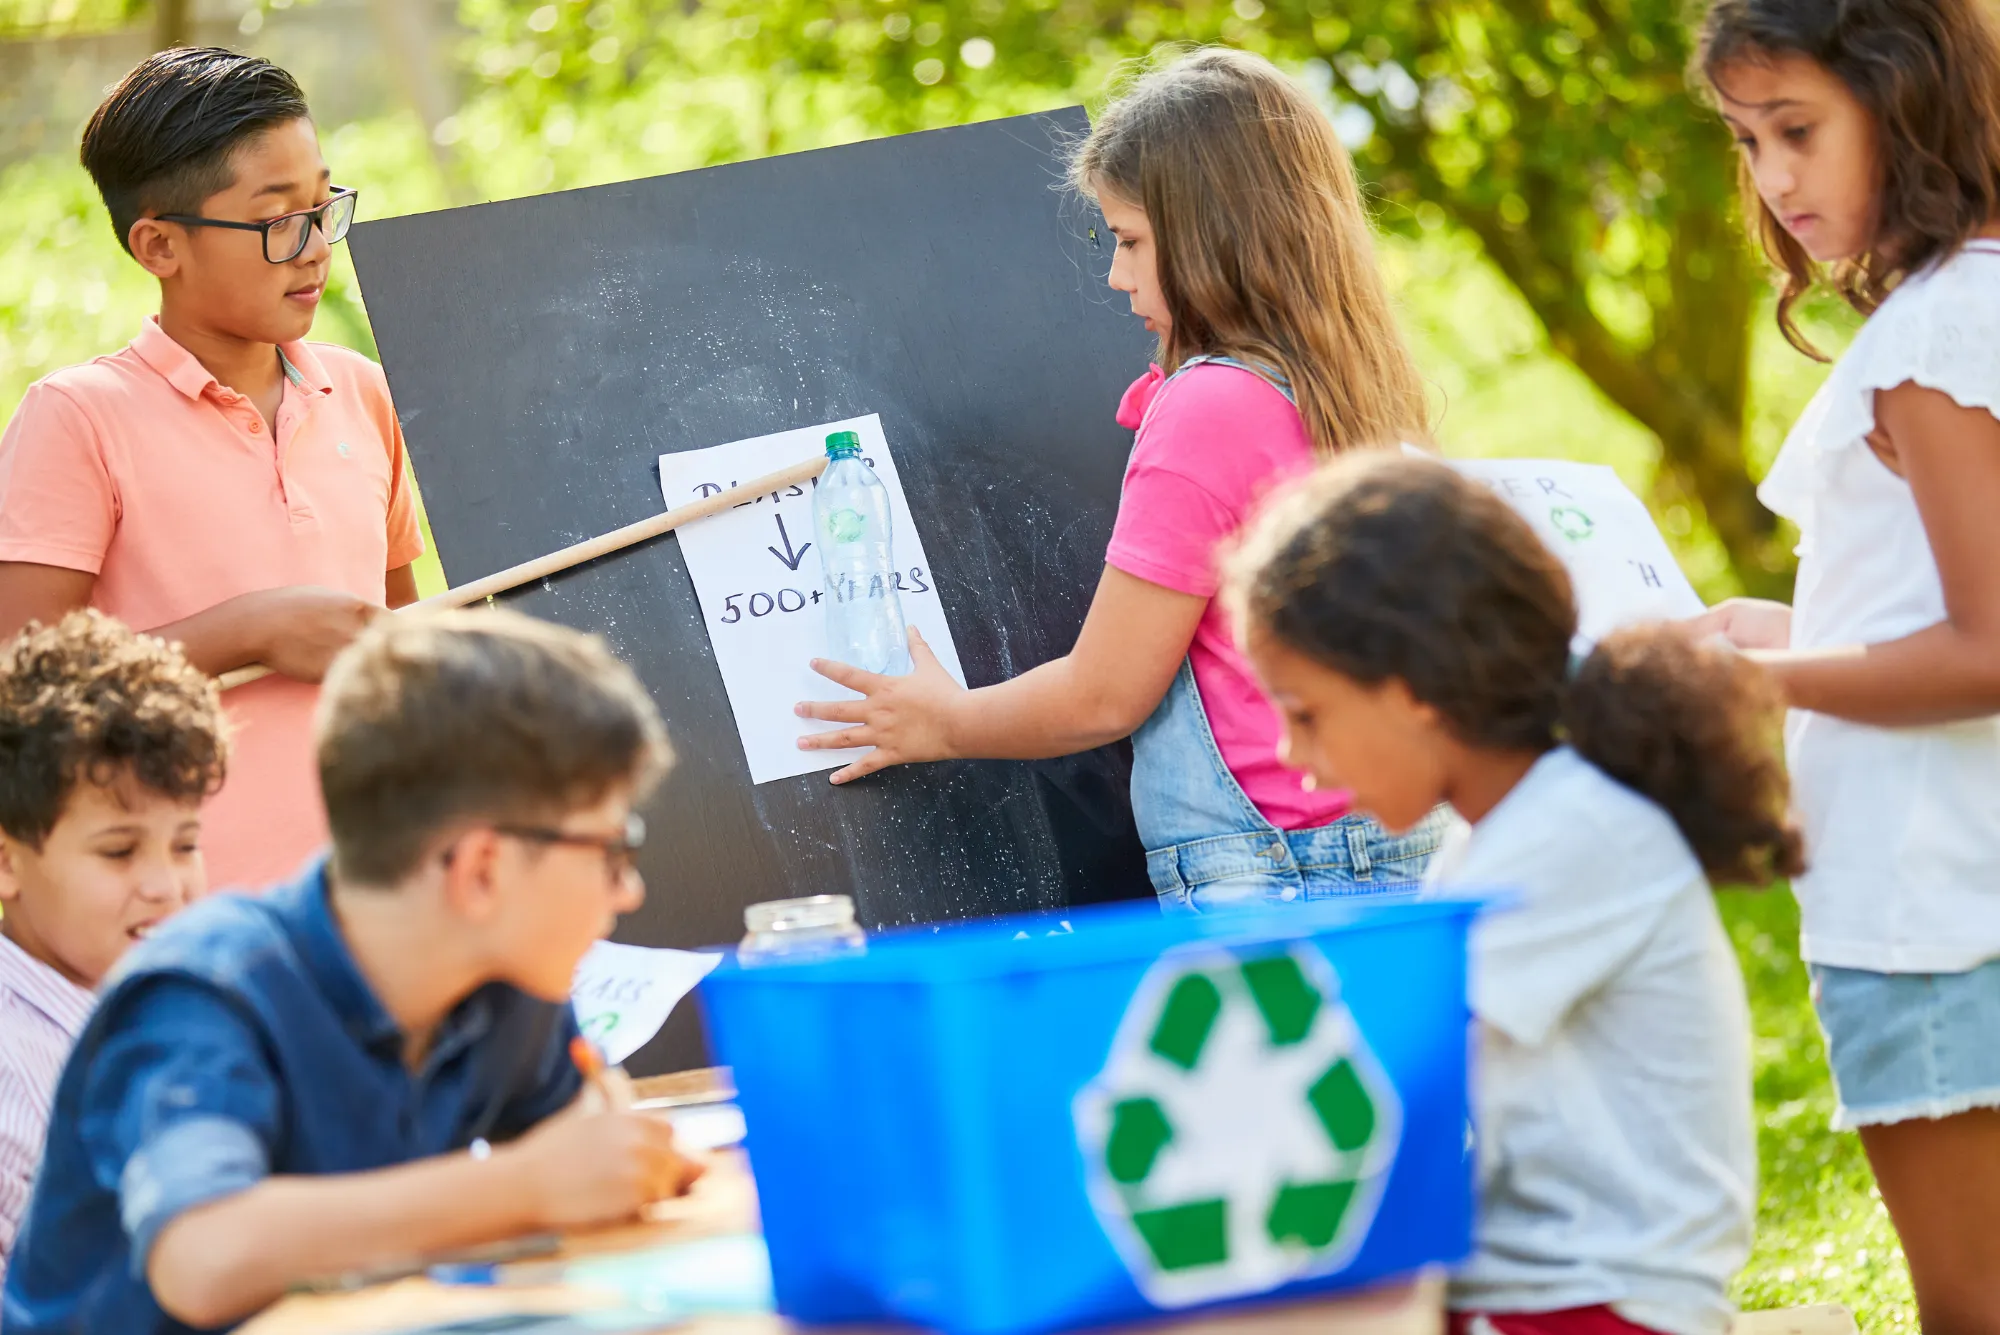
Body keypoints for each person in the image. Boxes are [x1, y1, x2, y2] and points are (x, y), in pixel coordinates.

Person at [795, 48, 1450, 910]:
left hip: (1277, 874)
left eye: (1133, 241)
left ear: (1221, 230)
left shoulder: (1213, 406)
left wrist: (939, 718)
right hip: (1392, 847)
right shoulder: (1348, 392)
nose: (1115, 275)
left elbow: (1105, 692)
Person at [1225, 455, 1803, 1335]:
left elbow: (1386, 1079)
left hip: (1598, 1309)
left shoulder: (1568, 832)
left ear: (1411, 690)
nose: (1294, 753)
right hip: (1526, 1290)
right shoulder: (1497, 832)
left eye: (1306, 712)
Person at [2, 610, 701, 1334]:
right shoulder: (205, 991)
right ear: (481, 869)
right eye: (612, 852)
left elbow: (579, 1146)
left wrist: (607, 1153)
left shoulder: (505, 980)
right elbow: (202, 1257)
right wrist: (524, 1184)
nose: (628, 891)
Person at [1690, 2, 2000, 1326]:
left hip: (1924, 908)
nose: (1772, 180)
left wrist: (1770, 681)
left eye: (1799, 131)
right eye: (1748, 141)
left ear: (1906, 95)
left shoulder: (1938, 330)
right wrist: (1791, 636)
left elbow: (1988, 648)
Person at [0, 47, 427, 891]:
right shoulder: (78, 416)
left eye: (323, 206)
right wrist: (244, 631)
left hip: (381, 889)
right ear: (159, 244)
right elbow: (18, 688)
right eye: (277, 221)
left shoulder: (362, 392)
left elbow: (405, 638)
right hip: (184, 912)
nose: (314, 248)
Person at [0, 610, 225, 1283]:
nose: (166, 885)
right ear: (7, 861)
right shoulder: (15, 1074)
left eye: (185, 844)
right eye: (119, 850)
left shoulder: (176, 1000)